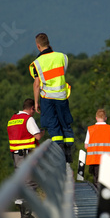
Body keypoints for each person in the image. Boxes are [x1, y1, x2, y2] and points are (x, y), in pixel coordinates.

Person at [29, 33, 74, 163]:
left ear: (38, 46)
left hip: (47, 97)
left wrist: (36, 102)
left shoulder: (37, 63)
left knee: (53, 125)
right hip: (61, 96)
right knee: (65, 122)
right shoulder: (62, 57)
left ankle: (59, 152)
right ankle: (68, 151)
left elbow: (37, 84)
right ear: (48, 43)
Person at [7, 98, 44, 218]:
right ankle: (26, 217)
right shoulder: (28, 119)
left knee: (22, 185)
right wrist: (43, 131)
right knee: (30, 185)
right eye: (34, 110)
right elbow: (37, 135)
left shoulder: (12, 120)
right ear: (32, 108)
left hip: (16, 157)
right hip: (27, 156)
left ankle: (24, 216)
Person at [84, 109, 110, 186]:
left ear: (96, 118)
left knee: (97, 180)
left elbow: (86, 146)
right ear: (105, 118)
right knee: (107, 181)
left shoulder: (90, 129)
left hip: (95, 160)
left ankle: (98, 194)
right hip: (108, 160)